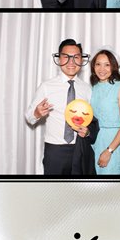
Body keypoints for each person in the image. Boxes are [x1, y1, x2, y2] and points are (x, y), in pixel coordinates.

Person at [25, 39, 96, 175]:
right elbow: (29, 117)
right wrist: (37, 113)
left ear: (81, 60)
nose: (71, 62)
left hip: (80, 149)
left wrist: (88, 132)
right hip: (54, 150)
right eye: (66, 57)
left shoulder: (87, 89)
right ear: (59, 59)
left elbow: (93, 121)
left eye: (76, 57)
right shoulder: (46, 86)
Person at [90, 48, 120, 174]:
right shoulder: (93, 88)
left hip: (113, 143)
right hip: (94, 142)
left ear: (113, 66)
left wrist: (109, 151)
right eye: (98, 64)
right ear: (93, 67)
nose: (102, 69)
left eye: (107, 65)